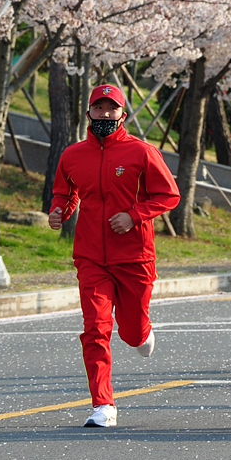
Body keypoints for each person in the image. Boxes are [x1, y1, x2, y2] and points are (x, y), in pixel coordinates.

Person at [49, 83, 180, 428]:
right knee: (95, 328)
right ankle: (103, 405)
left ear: (123, 113)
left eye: (112, 109)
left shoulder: (142, 152)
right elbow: (66, 191)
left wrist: (134, 215)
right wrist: (59, 209)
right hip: (91, 255)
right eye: (99, 108)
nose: (105, 114)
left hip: (135, 255)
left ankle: (142, 331)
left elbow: (169, 195)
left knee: (131, 333)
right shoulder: (73, 154)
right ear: (89, 112)